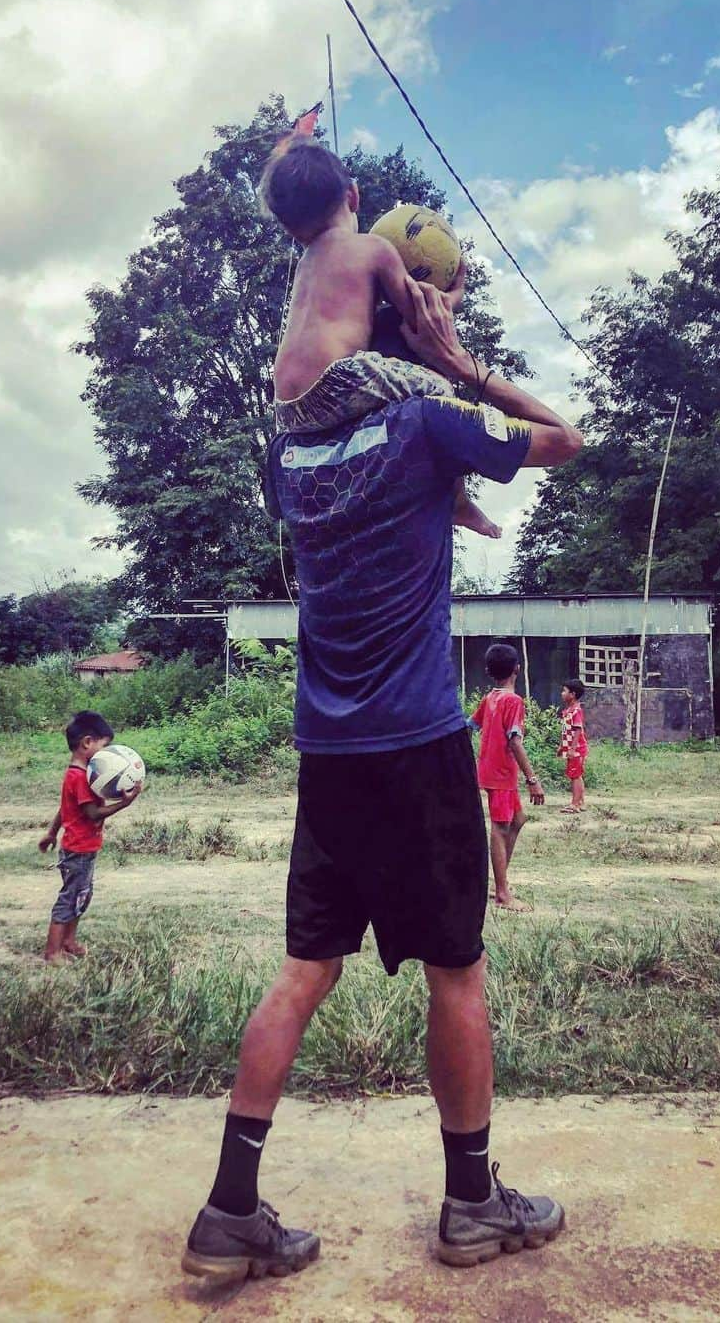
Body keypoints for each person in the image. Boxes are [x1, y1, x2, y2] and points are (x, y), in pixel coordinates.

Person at [182, 210, 582, 1283]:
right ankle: (472, 1203)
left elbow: (351, 457)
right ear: (412, 312)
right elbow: (564, 439)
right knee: (455, 972)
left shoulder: (292, 456)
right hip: (415, 745)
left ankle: (230, 1212)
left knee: (305, 968)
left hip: (329, 752)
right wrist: (462, 366)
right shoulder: (426, 423)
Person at [262, 134, 501, 539]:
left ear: (292, 230)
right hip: (337, 381)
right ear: (353, 197)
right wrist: (456, 293)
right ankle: (458, 501)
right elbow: (421, 319)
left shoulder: (305, 264)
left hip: (285, 405)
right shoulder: (372, 248)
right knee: (440, 389)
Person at [37, 710, 141, 963]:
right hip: (79, 851)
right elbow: (93, 814)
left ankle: (69, 941)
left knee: (81, 896)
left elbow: (65, 809)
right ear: (87, 743)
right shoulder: (79, 778)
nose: (107, 753)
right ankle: (52, 952)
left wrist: (52, 833)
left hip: (81, 848)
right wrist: (124, 804)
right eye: (104, 746)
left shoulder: (79, 774)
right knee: (71, 897)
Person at [470, 643, 544, 912]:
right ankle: (502, 893)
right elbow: (514, 740)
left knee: (518, 819)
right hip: (501, 775)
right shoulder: (513, 701)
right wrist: (532, 779)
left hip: (496, 772)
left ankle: (500, 882)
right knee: (501, 828)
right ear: (517, 669)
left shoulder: (490, 698)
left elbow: (470, 725)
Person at [558, 678, 588, 814]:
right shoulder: (568, 711)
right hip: (572, 748)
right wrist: (561, 746)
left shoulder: (576, 711)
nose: (562, 694)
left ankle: (574, 804)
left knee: (575, 775)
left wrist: (572, 748)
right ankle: (580, 802)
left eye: (564, 691)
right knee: (576, 775)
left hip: (576, 749)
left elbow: (577, 730)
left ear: (573, 694)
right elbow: (566, 731)